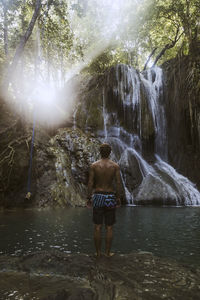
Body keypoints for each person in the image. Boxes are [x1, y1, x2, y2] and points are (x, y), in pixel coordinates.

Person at [87, 143, 122, 258]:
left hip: (98, 196)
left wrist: (88, 198)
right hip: (110, 197)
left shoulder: (94, 166)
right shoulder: (115, 166)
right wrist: (118, 197)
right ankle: (107, 253)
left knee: (97, 226)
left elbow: (90, 183)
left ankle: (97, 253)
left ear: (100, 152)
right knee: (109, 227)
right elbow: (118, 183)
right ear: (110, 152)